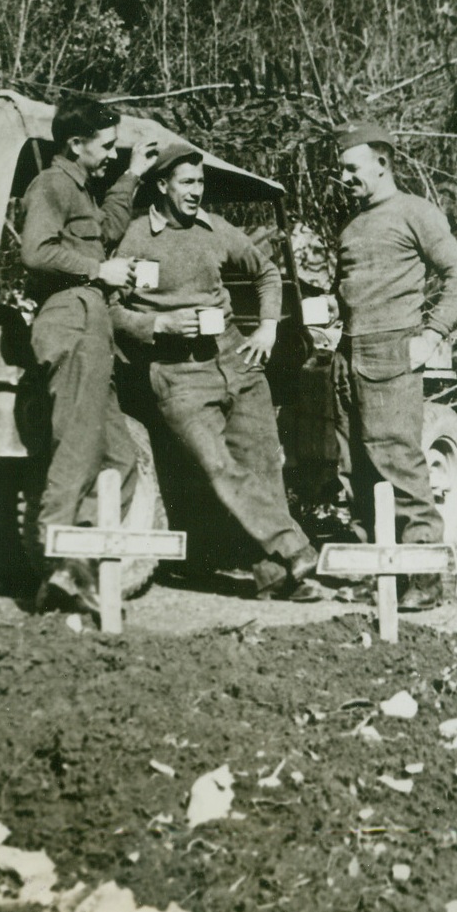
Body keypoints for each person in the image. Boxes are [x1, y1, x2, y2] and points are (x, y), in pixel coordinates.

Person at [112, 142, 323, 601]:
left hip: (236, 360)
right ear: (163, 185)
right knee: (218, 468)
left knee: (264, 467)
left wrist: (265, 329)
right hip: (177, 373)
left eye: (201, 182)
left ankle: (276, 578)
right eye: (187, 182)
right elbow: (109, 309)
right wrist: (156, 324)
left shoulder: (216, 229)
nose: (196, 191)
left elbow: (267, 273)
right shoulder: (133, 240)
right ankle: (294, 548)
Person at [20, 97, 158, 613]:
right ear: (75, 145)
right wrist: (99, 272)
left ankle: (76, 570)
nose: (110, 156)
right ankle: (61, 570)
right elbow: (36, 251)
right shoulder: (52, 185)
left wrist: (135, 176)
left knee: (121, 458)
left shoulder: (79, 189)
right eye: (105, 148)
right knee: (76, 449)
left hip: (91, 324)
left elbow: (103, 233)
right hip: (71, 319)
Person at [332, 122, 457, 611]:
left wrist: (431, 335)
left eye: (351, 169)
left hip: (392, 352)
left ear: (381, 162)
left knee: (397, 462)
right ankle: (377, 574)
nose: (343, 177)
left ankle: (425, 576)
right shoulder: (351, 225)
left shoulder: (416, 212)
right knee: (356, 471)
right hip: (347, 354)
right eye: (340, 169)